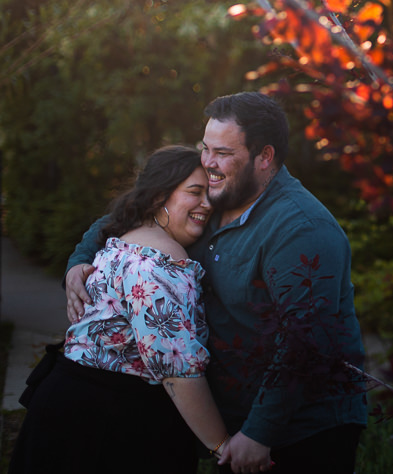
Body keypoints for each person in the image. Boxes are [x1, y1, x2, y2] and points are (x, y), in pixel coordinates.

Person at [64, 92, 368, 474]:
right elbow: (132, 211)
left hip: (301, 433)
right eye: (205, 148)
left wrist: (259, 432)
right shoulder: (215, 194)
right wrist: (79, 263)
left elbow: (306, 342)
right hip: (235, 425)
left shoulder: (301, 229)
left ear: (264, 156)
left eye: (222, 152)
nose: (208, 162)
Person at [11, 145, 230, 473]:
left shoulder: (126, 240)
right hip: (104, 426)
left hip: (69, 411)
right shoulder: (160, 264)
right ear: (159, 197)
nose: (207, 203)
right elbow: (177, 372)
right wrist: (223, 445)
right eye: (195, 192)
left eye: (209, 194)